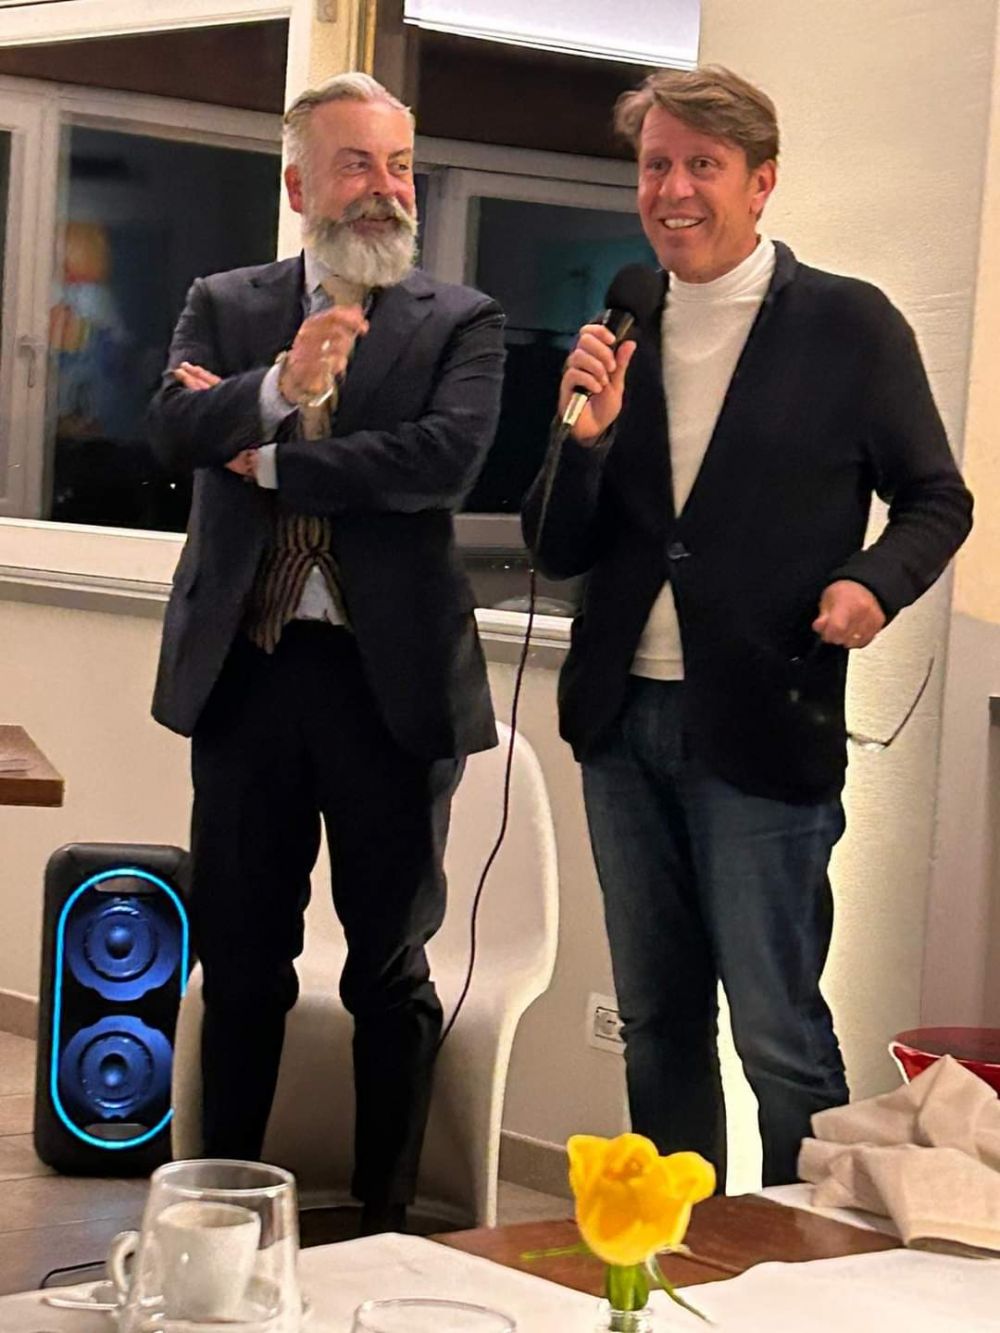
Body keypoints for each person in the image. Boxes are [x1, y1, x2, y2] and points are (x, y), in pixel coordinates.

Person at [522, 65, 972, 1188]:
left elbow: (936, 498)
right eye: (655, 166)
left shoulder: (847, 324)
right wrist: (586, 441)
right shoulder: (621, 326)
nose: (672, 190)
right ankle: (675, 1251)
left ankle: (805, 1258)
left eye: (702, 166)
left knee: (778, 1034)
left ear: (761, 182)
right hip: (621, 723)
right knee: (656, 1021)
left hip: (765, 720)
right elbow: (555, 545)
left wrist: (873, 584)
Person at [149, 72, 504, 1233]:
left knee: (386, 969)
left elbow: (441, 462)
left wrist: (266, 454)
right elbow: (171, 429)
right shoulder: (225, 303)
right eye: (356, 165)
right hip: (246, 679)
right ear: (300, 185)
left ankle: (386, 1217)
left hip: (387, 687)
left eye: (399, 166)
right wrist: (278, 387)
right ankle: (219, 1212)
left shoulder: (460, 320)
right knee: (242, 959)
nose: (384, 189)